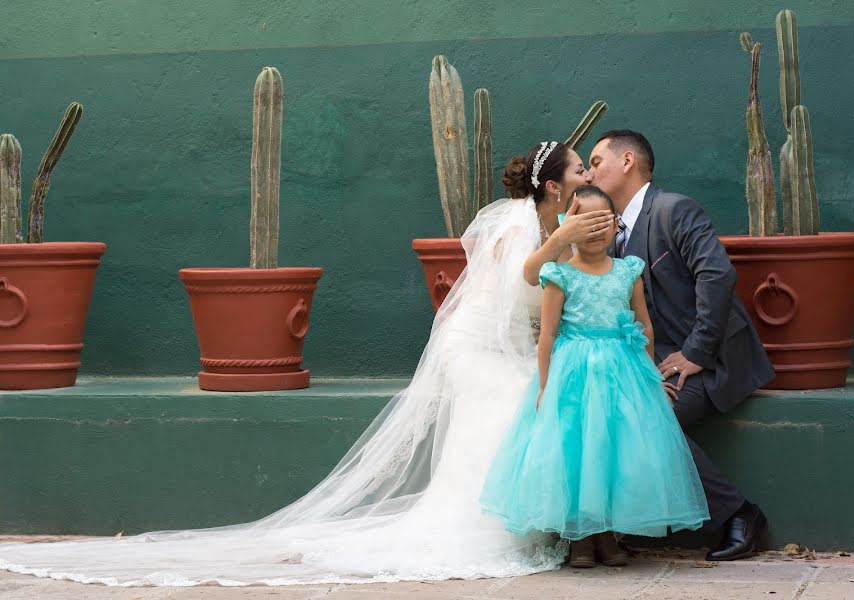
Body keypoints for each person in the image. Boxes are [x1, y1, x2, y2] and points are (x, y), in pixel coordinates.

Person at [0, 142, 615, 586]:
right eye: (580, 167)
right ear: (555, 186)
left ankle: (536, 521)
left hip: (510, 338)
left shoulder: (558, 222)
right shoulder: (514, 225)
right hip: (476, 344)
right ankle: (490, 526)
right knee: (513, 397)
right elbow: (520, 286)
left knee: (537, 392)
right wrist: (559, 253)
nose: (589, 173)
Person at [526, 130, 774, 562]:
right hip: (651, 363)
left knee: (645, 418)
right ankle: (601, 530)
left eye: (597, 161)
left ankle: (741, 514)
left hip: (708, 360)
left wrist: (697, 353)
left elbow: (716, 276)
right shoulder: (606, 228)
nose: (589, 171)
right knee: (601, 412)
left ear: (627, 161)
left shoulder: (674, 209)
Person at [481, 185, 710, 569]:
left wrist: (650, 378)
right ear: (567, 224)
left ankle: (608, 535)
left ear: (616, 224)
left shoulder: (627, 271)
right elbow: (549, 335)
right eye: (584, 221)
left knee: (614, 453)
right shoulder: (559, 275)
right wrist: (544, 383)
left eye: (603, 221)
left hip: (622, 374)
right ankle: (580, 540)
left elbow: (645, 327)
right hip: (574, 373)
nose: (595, 230)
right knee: (577, 451)